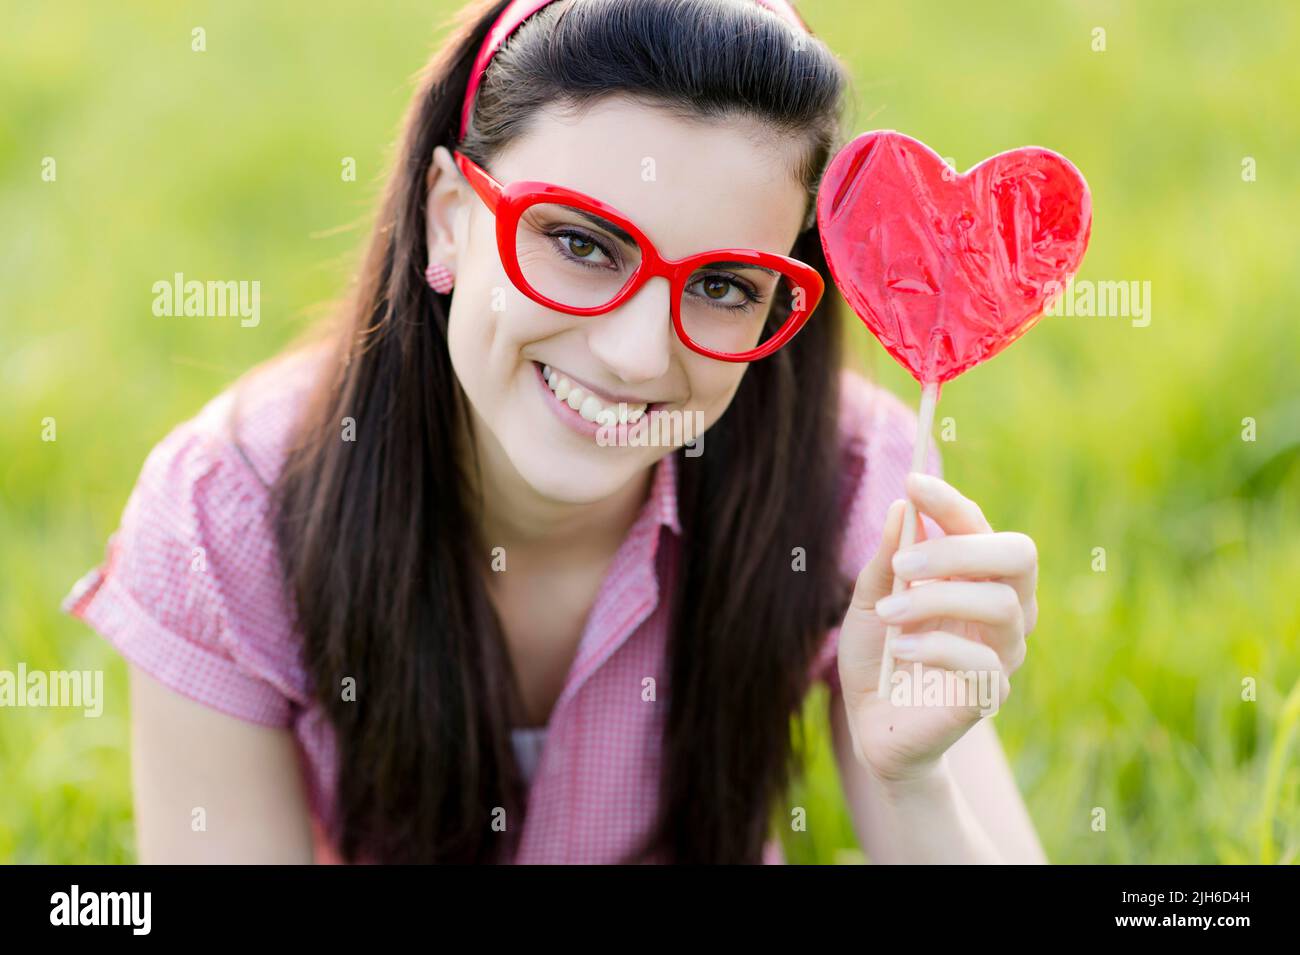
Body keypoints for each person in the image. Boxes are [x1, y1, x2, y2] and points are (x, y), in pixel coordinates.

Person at [64, 0, 1045, 863]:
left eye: (722, 285)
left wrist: (915, 779)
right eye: (579, 243)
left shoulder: (848, 481)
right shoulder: (225, 513)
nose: (633, 352)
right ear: (450, 216)